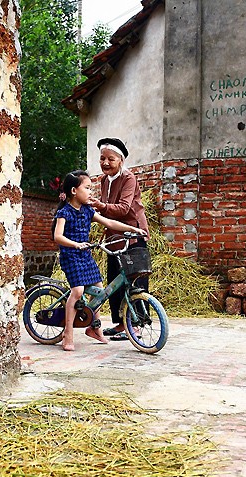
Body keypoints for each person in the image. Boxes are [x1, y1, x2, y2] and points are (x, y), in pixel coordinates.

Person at [53, 170, 147, 352]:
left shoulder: (88, 211)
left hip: (85, 254)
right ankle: (68, 333)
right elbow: (57, 236)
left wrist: (134, 229)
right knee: (78, 291)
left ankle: (94, 328)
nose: (90, 192)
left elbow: (110, 223)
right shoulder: (65, 212)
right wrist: (75, 244)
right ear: (74, 190)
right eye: (87, 188)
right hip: (70, 255)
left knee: (99, 290)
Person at [90, 137, 150, 341]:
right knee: (114, 279)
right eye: (102, 158)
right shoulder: (104, 180)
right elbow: (107, 209)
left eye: (111, 159)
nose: (105, 163)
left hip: (133, 232)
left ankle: (137, 324)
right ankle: (120, 324)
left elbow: (124, 208)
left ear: (121, 160)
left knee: (136, 278)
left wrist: (99, 206)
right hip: (114, 235)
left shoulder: (128, 178)